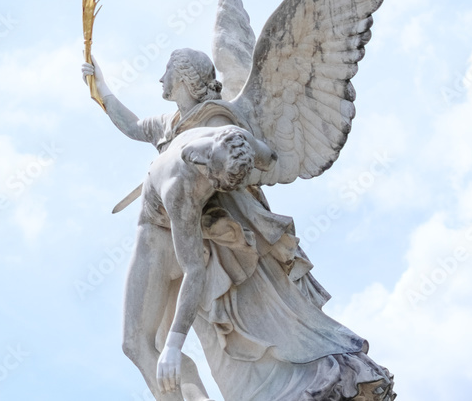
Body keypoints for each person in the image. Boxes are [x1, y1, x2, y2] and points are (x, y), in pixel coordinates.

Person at [82, 48, 395, 401]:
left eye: (166, 71)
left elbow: (264, 159)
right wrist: (101, 88)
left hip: (216, 234)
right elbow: (135, 126)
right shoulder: (182, 126)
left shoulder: (211, 134)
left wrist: (243, 154)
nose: (160, 78)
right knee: (150, 341)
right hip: (186, 232)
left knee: (237, 329)